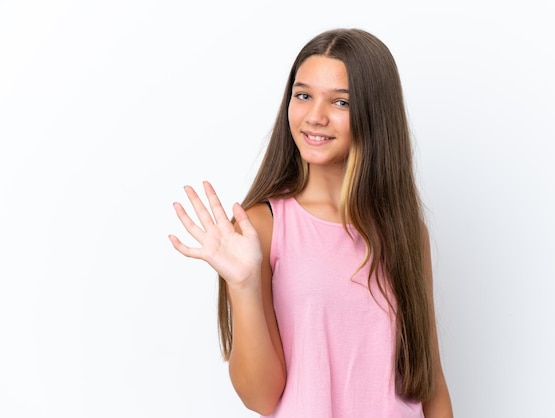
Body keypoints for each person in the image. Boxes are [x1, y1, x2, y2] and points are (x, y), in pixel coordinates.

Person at [169, 28, 453, 417]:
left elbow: (430, 379)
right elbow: (261, 398)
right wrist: (244, 285)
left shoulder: (404, 229)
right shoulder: (261, 227)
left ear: (375, 113)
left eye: (340, 102)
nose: (315, 116)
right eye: (303, 95)